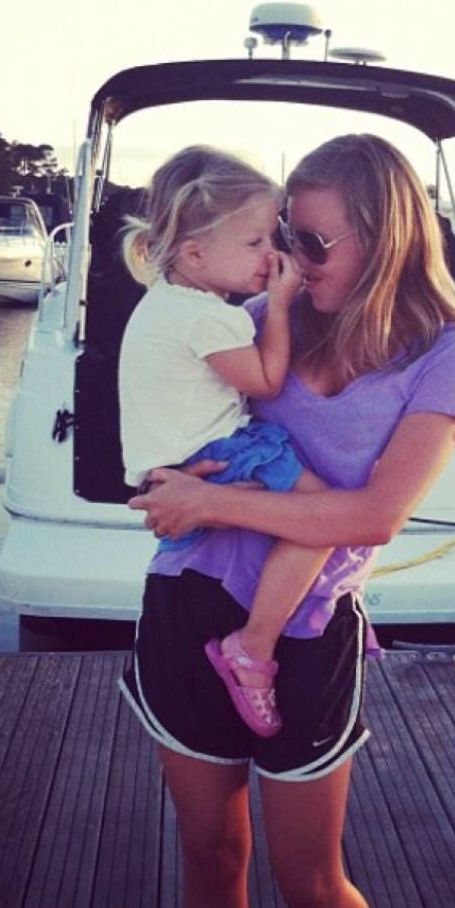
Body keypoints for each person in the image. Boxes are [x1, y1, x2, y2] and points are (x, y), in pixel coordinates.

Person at [120, 133, 455, 908]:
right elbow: (167, 414)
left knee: (310, 883)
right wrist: (165, 481)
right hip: (189, 602)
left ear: (384, 236)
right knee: (211, 857)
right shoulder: (261, 320)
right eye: (286, 235)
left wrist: (209, 501)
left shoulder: (448, 354)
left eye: (314, 242)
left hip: (306, 631)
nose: (290, 259)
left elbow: (376, 515)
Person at [118, 145, 334, 738]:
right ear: (194, 253)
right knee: (322, 516)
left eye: (273, 237)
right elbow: (266, 380)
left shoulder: (163, 303)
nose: (272, 255)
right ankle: (253, 647)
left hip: (176, 460)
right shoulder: (208, 317)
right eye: (255, 242)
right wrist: (282, 305)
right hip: (219, 453)